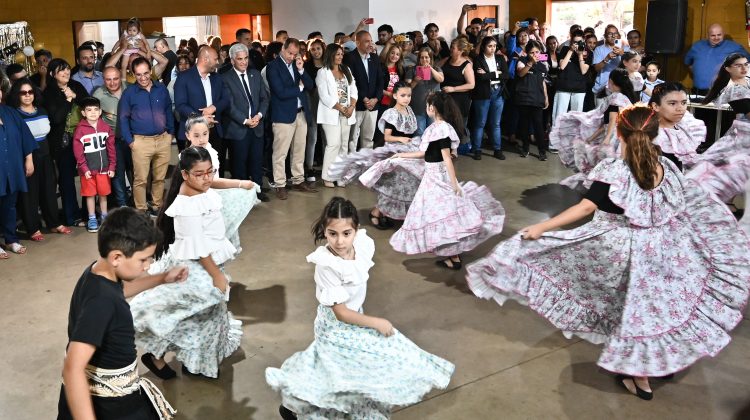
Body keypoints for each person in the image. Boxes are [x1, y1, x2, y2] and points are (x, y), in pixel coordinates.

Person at [466, 105, 750, 401]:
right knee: (656, 307)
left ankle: (639, 373)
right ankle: (655, 365)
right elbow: (682, 203)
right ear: (655, 134)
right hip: (663, 248)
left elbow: (585, 208)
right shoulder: (668, 164)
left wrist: (542, 227)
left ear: (620, 133)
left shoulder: (615, 169)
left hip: (620, 246)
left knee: (628, 305)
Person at [266, 197, 455, 419]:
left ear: (356, 230)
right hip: (335, 328)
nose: (339, 241)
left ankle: (294, 406)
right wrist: (377, 322)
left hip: (357, 319)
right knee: (336, 379)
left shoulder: (363, 246)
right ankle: (293, 407)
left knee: (363, 370)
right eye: (332, 233)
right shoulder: (326, 265)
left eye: (346, 233)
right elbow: (341, 313)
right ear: (324, 232)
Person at [130, 147, 252, 380]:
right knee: (193, 312)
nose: (207, 178)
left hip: (207, 263)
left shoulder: (201, 185)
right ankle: (160, 355)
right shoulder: (186, 205)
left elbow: (215, 183)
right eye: (200, 173)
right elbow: (199, 249)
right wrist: (216, 275)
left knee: (204, 315)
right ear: (185, 175)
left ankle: (194, 360)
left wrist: (240, 183)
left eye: (210, 172)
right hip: (195, 267)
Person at [57, 207, 182, 419]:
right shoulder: (101, 302)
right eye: (144, 260)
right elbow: (73, 367)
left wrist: (162, 278)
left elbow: (118, 292)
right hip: (112, 406)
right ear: (117, 257)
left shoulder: (98, 273)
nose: (147, 266)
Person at [389, 92, 505, 269]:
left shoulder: (440, 129)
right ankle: (452, 256)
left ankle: (453, 256)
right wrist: (402, 155)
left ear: (432, 108)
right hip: (434, 175)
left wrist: (453, 183)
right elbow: (425, 153)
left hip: (437, 178)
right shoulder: (438, 128)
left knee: (440, 216)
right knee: (442, 216)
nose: (426, 108)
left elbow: (447, 158)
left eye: (428, 105)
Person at [551, 68, 637, 189]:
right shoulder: (626, 98)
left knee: (608, 165)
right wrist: (591, 138)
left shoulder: (616, 98)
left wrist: (607, 139)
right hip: (622, 137)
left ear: (611, 81)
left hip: (615, 138)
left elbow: (613, 120)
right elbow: (606, 124)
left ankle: (605, 190)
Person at [9, 79, 70, 242]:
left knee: (49, 189)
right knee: (30, 193)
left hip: (46, 154)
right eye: (23, 92)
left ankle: (53, 223)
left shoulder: (42, 110)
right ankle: (33, 228)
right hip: (27, 155)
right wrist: (27, 160)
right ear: (17, 95)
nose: (28, 95)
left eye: (30, 92)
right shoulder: (15, 114)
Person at [118, 56, 174, 216]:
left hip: (163, 139)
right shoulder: (129, 93)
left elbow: (168, 110)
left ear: (151, 71)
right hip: (140, 142)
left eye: (145, 73)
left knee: (160, 177)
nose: (143, 78)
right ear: (133, 75)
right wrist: (130, 141)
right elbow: (123, 118)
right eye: (139, 74)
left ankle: (156, 205)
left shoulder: (161, 89)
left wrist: (170, 133)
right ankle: (141, 209)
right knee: (141, 179)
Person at [267, 38, 318, 200]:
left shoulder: (297, 65)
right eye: (289, 53)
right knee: (280, 152)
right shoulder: (272, 67)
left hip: (301, 113)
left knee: (299, 149)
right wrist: (299, 88)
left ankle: (298, 180)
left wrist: (302, 71)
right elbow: (280, 92)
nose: (292, 57)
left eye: (295, 54)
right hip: (283, 115)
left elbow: (310, 86)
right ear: (283, 48)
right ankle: (280, 184)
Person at [43, 58, 89, 227]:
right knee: (67, 179)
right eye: (61, 70)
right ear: (52, 74)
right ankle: (72, 216)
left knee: (87, 175)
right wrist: (68, 101)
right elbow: (56, 118)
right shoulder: (48, 93)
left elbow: (89, 105)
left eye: (68, 69)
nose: (66, 72)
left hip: (84, 138)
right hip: (63, 141)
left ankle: (88, 213)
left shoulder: (76, 86)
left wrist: (75, 96)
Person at [222, 43, 269, 201]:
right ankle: (241, 196)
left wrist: (259, 116)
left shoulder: (255, 74)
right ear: (232, 60)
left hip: (257, 126)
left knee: (256, 161)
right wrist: (245, 120)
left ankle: (257, 191)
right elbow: (229, 106)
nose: (243, 62)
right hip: (238, 128)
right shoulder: (225, 78)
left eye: (246, 58)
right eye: (239, 59)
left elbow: (264, 98)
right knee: (239, 164)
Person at [174, 46, 230, 177]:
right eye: (215, 59)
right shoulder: (184, 77)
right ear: (205, 59)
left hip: (215, 129)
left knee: (216, 167)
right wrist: (201, 118)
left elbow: (226, 99)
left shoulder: (217, 77)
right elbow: (181, 105)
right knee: (194, 170)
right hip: (193, 133)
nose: (218, 62)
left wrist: (214, 107)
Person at [0, 88, 37, 259]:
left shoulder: (10, 113)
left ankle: (10, 239)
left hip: (13, 167)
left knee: (10, 205)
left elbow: (25, 136)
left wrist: (29, 159)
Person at [316, 43, 357, 188]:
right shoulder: (323, 72)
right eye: (337, 54)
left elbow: (354, 89)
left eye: (341, 54)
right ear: (330, 55)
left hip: (347, 112)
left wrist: (351, 107)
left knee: (344, 145)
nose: (340, 56)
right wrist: (340, 108)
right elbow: (324, 96)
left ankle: (340, 176)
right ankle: (327, 177)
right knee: (333, 144)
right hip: (331, 113)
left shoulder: (347, 70)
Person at [72, 97, 115, 233]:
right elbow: (78, 152)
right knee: (90, 195)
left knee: (103, 194)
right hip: (88, 171)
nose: (93, 112)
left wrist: (112, 166)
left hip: (103, 169)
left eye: (96, 109)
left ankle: (104, 217)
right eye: (89, 110)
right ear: (83, 113)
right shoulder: (80, 130)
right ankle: (92, 218)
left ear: (100, 111)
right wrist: (84, 168)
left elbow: (111, 149)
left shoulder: (106, 128)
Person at [94, 66, 132, 208]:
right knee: (117, 174)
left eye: (115, 78)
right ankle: (123, 205)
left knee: (136, 172)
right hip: (113, 141)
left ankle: (138, 202)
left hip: (133, 138)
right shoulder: (99, 94)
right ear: (103, 80)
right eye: (108, 79)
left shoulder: (130, 88)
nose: (112, 82)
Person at [343, 30, 384, 153]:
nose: (370, 44)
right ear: (357, 42)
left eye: (371, 41)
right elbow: (350, 82)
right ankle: (351, 166)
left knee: (368, 138)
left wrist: (376, 99)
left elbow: (380, 81)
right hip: (357, 105)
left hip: (373, 105)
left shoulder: (375, 58)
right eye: (366, 41)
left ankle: (366, 166)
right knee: (352, 139)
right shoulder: (349, 58)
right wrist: (364, 98)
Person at [649, 83, 705, 170]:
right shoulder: (651, 137)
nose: (680, 108)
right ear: (656, 106)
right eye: (672, 103)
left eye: (684, 103)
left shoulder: (686, 127)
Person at [470, 36, 509, 160]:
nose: (493, 49)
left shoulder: (500, 58)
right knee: (480, 123)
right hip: (482, 94)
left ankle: (497, 149)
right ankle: (477, 150)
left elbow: (506, 75)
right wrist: (497, 73)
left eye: (494, 46)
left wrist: (488, 74)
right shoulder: (477, 59)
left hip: (498, 93)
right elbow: (480, 78)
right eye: (490, 46)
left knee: (496, 123)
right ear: (484, 47)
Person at [685, 24, 750, 94]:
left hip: (723, 92)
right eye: (713, 35)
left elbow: (748, 63)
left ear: (723, 34)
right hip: (698, 92)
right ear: (708, 35)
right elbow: (688, 63)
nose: (716, 38)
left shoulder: (734, 47)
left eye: (719, 35)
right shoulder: (697, 46)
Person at [515, 40, 549, 160]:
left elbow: (543, 83)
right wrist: (530, 63)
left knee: (538, 126)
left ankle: (542, 151)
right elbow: (520, 74)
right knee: (524, 125)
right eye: (532, 52)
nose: (535, 54)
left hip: (537, 99)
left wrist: (546, 97)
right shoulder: (521, 61)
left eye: (537, 52)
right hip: (524, 98)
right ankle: (525, 148)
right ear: (527, 52)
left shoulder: (542, 65)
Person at [441, 37, 475, 154]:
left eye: (453, 48)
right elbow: (435, 68)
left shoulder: (466, 64)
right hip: (445, 99)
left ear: (460, 50)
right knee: (446, 124)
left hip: (460, 100)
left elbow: (471, 85)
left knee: (459, 125)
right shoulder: (446, 60)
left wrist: (453, 89)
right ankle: (447, 148)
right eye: (451, 47)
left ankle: (458, 147)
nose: (450, 49)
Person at [552, 29, 591, 125]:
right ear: (571, 41)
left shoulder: (589, 53)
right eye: (575, 42)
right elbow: (562, 66)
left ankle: (574, 138)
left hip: (579, 88)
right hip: (563, 86)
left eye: (579, 42)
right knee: (559, 116)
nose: (577, 44)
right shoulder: (565, 49)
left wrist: (580, 55)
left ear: (584, 41)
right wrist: (570, 51)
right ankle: (555, 138)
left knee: (577, 117)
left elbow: (583, 70)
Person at [304, 39, 326, 182]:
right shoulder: (306, 66)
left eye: (318, 48)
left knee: (327, 137)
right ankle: (309, 167)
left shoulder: (329, 65)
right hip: (312, 103)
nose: (316, 51)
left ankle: (327, 166)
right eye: (313, 49)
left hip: (327, 105)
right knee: (312, 137)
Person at [410, 47, 444, 135]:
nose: (424, 59)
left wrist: (431, 69)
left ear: (431, 58)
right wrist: (415, 81)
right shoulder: (413, 70)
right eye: (422, 57)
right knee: (419, 133)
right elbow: (407, 88)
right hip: (418, 108)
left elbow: (441, 79)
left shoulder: (437, 69)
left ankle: (431, 149)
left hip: (433, 107)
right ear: (419, 59)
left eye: (427, 57)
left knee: (433, 133)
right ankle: (419, 149)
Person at [592, 25, 629, 106]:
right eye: (609, 33)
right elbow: (596, 69)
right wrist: (607, 58)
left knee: (617, 117)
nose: (613, 36)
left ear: (618, 35)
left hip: (619, 88)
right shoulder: (599, 49)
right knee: (600, 117)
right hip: (601, 88)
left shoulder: (626, 49)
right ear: (605, 36)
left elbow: (631, 67)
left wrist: (623, 55)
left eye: (615, 33)